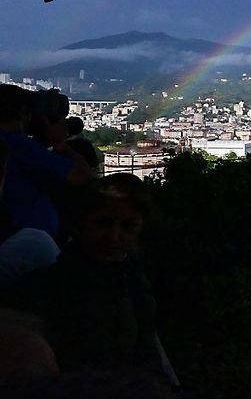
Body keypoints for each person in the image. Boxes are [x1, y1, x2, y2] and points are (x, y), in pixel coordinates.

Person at [5, 174, 164, 378]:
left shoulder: (134, 280)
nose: (113, 237)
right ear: (81, 224)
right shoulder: (47, 290)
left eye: (127, 226)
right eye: (102, 223)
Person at [0, 84, 90, 240]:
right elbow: (80, 175)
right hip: (25, 244)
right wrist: (59, 143)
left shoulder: (11, 144)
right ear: (23, 113)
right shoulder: (19, 146)